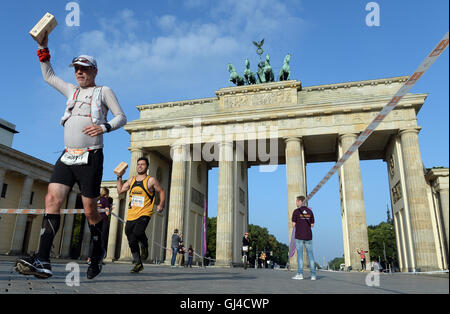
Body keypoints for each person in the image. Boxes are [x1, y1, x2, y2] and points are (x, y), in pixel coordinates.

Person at [14, 32, 127, 280]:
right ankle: (43, 260)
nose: (79, 72)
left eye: (84, 69)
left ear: (94, 71)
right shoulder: (71, 91)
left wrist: (103, 127)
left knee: (89, 211)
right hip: (68, 155)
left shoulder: (104, 90)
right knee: (52, 199)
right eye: (76, 68)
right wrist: (43, 47)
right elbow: (49, 76)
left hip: (91, 156)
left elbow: (121, 117)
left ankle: (96, 253)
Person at [116, 157, 165, 273]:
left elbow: (161, 191)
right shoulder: (132, 180)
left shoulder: (151, 180)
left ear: (147, 167)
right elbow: (120, 190)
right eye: (138, 164)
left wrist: (161, 204)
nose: (140, 166)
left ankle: (145, 244)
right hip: (132, 214)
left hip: (145, 212)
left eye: (142, 164)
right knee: (130, 237)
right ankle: (138, 263)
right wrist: (119, 177)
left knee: (138, 232)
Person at [291, 195, 317, 281]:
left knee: (300, 255)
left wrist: (299, 223)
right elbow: (312, 225)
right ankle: (313, 275)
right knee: (310, 255)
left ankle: (300, 274)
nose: (296, 203)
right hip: (308, 236)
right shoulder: (310, 211)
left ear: (300, 202)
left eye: (297, 201)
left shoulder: (296, 211)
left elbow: (293, 224)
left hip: (299, 236)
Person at [87, 187, 112, 265]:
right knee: (102, 240)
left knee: (94, 239)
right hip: (103, 221)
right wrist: (110, 209)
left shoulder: (95, 200)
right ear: (106, 193)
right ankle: (99, 259)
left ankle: (89, 258)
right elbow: (107, 212)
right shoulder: (105, 200)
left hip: (94, 221)